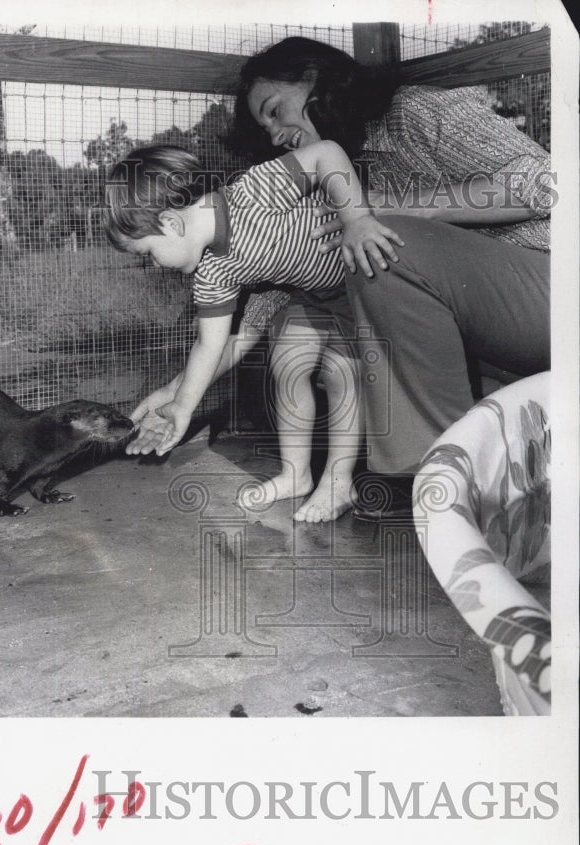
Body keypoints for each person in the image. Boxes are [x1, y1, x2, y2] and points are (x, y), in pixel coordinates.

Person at [132, 36, 551, 521]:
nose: (273, 134)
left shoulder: (414, 113)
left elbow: (552, 183)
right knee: (296, 327)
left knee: (378, 243)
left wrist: (386, 209)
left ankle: (462, 477)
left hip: (546, 292)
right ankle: (438, 474)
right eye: (263, 126)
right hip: (484, 340)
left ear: (315, 79)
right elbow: (248, 321)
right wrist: (179, 392)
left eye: (274, 110)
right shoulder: (311, 186)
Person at [106, 142, 404, 520]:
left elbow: (326, 152)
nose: (155, 265)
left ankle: (338, 480)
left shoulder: (253, 192)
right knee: (287, 363)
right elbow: (211, 345)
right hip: (311, 295)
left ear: (170, 222)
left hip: (357, 281)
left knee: (342, 372)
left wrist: (357, 218)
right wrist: (179, 402)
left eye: (148, 253)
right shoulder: (212, 271)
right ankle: (295, 474)